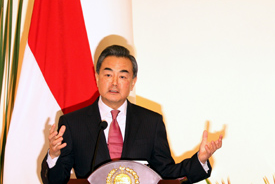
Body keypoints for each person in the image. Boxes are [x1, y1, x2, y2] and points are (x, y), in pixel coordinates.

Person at [41, 45, 223, 184]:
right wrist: (54, 155)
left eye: (122, 76)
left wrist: (200, 160)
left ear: (133, 81)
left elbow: (165, 172)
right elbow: (56, 181)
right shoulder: (73, 122)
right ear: (97, 77)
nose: (114, 83)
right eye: (107, 74)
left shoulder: (151, 122)